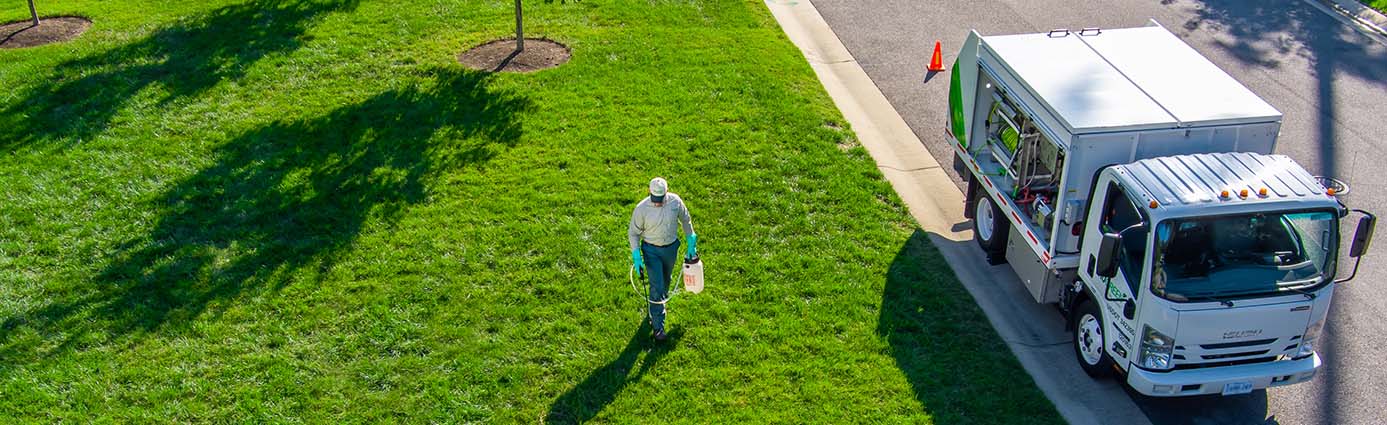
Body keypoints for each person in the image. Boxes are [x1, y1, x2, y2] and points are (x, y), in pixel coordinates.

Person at [628, 177, 696, 341]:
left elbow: (685, 220)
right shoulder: (642, 209)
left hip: (671, 248)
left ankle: (655, 307)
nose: (658, 203)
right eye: (655, 199)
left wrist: (691, 239)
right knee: (657, 286)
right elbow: (633, 233)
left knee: (665, 281)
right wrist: (637, 255)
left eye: (660, 199)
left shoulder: (675, 202)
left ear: (667, 192)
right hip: (651, 250)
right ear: (649, 192)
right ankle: (658, 327)